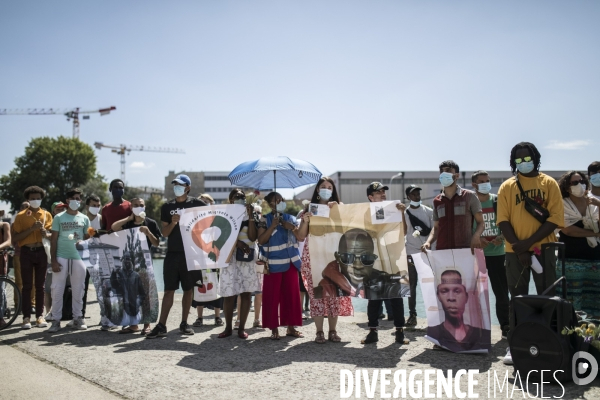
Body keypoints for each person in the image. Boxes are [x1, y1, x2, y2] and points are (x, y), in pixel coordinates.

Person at [496, 142, 564, 365]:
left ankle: (549, 343)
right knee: (517, 298)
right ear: (513, 162)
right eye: (518, 160)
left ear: (535, 158)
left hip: (544, 249)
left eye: (527, 158)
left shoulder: (549, 183)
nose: (523, 163)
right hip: (513, 251)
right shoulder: (507, 186)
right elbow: (503, 220)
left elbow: (554, 219)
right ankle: (516, 344)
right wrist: (518, 246)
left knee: (547, 297)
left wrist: (527, 244)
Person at [146, 174, 207, 338]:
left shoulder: (197, 204)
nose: (176, 188)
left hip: (191, 254)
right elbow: (164, 234)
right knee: (168, 290)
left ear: (187, 188)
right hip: (172, 254)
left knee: (188, 290)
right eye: (175, 185)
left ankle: (184, 323)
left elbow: (209, 222)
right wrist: (173, 222)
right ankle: (161, 325)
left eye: (180, 185)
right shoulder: (167, 207)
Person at [300, 177, 354, 344]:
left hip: (333, 256)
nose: (326, 189)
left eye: (329, 187)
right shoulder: (308, 209)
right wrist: (306, 220)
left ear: (333, 190)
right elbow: (301, 235)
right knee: (317, 294)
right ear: (317, 189)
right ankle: (319, 332)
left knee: (334, 294)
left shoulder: (340, 207)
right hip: (313, 256)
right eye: (323, 186)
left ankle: (332, 331)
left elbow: (348, 228)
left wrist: (338, 210)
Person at [257, 191, 309, 340]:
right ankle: (274, 328)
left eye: (281, 199)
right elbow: (261, 240)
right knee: (271, 297)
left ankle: (291, 327)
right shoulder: (263, 220)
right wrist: (272, 226)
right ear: (269, 204)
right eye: (276, 200)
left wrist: (291, 227)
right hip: (272, 265)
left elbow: (300, 237)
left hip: (291, 263)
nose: (280, 202)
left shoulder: (291, 218)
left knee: (292, 297)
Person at [362, 182, 408, 345]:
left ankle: (400, 331)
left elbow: (404, 232)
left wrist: (401, 213)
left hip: (392, 259)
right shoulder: (365, 212)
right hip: (373, 262)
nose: (382, 194)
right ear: (370, 197)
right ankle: (373, 331)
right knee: (373, 298)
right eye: (378, 192)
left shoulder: (393, 209)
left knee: (396, 296)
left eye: (383, 191)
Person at [112, 197, 162, 335]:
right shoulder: (127, 223)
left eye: (141, 205)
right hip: (129, 267)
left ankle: (147, 324)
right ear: (131, 207)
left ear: (145, 207)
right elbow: (113, 227)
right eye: (135, 205)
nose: (139, 207)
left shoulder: (150, 223)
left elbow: (157, 242)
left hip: (145, 265)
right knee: (130, 294)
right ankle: (134, 325)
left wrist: (148, 233)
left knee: (146, 295)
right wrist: (128, 219)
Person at [216, 189, 261, 339]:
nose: (240, 199)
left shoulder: (253, 213)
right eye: (237, 197)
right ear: (230, 200)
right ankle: (228, 327)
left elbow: (253, 237)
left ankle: (241, 328)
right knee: (229, 293)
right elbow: (221, 236)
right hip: (229, 257)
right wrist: (238, 243)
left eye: (242, 197)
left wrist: (251, 217)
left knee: (246, 292)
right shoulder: (224, 214)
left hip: (247, 257)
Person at [471, 171, 510, 339]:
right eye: (482, 181)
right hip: (477, 255)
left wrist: (501, 237)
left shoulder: (497, 200)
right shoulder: (470, 202)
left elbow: (508, 221)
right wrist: (476, 239)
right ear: (474, 184)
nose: (486, 183)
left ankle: (506, 327)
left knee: (502, 293)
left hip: (498, 254)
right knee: (476, 293)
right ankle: (477, 328)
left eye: (488, 181)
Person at [556, 171, 600, 319]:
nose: (579, 184)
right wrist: (594, 234)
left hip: (594, 259)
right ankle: (572, 336)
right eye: (574, 182)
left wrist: (598, 204)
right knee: (572, 302)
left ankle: (593, 338)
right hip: (570, 260)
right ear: (567, 187)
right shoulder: (562, 204)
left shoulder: (593, 202)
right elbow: (568, 230)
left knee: (594, 300)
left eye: (582, 181)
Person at [47, 188, 91, 332]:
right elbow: (53, 240)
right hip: (61, 256)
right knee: (57, 289)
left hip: (79, 257)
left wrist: (89, 237)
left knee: (79, 289)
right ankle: (56, 320)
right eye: (75, 198)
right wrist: (53, 260)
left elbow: (87, 239)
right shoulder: (59, 217)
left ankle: (78, 318)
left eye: (79, 199)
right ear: (68, 201)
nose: (77, 201)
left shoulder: (84, 218)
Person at [12, 186, 53, 329]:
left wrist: (45, 233)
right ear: (28, 200)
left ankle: (40, 317)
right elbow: (16, 237)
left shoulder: (46, 214)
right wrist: (31, 229)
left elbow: (51, 234)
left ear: (41, 199)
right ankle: (26, 317)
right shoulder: (21, 216)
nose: (35, 200)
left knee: (40, 286)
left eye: (38, 198)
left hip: (41, 251)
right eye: (33, 198)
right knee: (26, 285)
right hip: (26, 252)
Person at [422, 160, 484, 254]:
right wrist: (428, 242)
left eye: (448, 171)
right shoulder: (437, 201)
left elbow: (481, 222)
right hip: (442, 252)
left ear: (457, 175)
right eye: (442, 171)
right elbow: (436, 227)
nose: (444, 174)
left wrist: (476, 236)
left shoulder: (469, 196)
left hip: (465, 251)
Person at [427, 270, 491, 352]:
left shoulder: (481, 334)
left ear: (466, 296)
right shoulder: (433, 333)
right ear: (438, 296)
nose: (451, 298)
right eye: (444, 291)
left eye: (457, 291)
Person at [402, 184, 434, 327]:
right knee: (412, 285)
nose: (417, 196)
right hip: (411, 252)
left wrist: (428, 244)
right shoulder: (404, 213)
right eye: (413, 194)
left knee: (430, 284)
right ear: (408, 197)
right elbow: (403, 231)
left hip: (426, 252)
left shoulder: (428, 211)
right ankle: (412, 315)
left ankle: (433, 315)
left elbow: (434, 230)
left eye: (418, 194)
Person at [44, 202, 68, 322]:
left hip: (65, 256)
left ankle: (61, 311)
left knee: (63, 287)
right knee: (48, 288)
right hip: (51, 258)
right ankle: (48, 312)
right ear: (53, 211)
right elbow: (48, 235)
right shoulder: (49, 223)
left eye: (63, 209)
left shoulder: (68, 221)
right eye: (59, 209)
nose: (62, 211)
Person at [11, 201, 36, 315]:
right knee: (19, 281)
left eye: (28, 207)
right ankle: (18, 304)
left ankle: (32, 304)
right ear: (20, 209)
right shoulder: (15, 223)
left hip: (33, 254)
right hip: (19, 254)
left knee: (33, 281)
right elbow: (13, 240)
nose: (26, 209)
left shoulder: (35, 221)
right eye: (24, 207)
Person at [110, 252, 146, 327]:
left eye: (128, 259)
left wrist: (138, 302)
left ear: (132, 262)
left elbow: (142, 293)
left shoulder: (136, 276)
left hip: (135, 308)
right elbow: (114, 285)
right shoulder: (119, 273)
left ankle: (134, 327)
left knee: (135, 323)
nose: (127, 262)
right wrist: (113, 274)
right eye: (125, 259)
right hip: (124, 308)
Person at [0, 219, 12, 329]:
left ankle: (0, 318)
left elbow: (8, 241)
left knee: (0, 291)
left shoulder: (4, 225)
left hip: (0, 262)